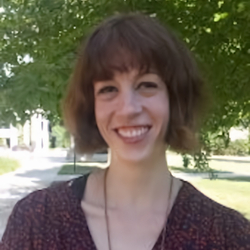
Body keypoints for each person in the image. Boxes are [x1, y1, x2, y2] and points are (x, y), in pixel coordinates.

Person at [1, 13, 250, 250]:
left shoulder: (228, 236)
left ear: (176, 99)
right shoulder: (36, 223)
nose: (128, 108)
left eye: (147, 85)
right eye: (108, 89)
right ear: (91, 107)